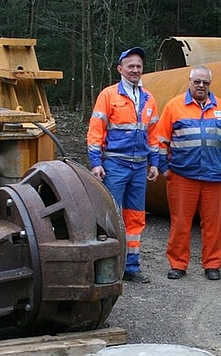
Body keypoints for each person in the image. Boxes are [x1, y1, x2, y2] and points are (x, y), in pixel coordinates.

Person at [156, 65, 221, 281]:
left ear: (210, 84)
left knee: (213, 224)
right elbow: (160, 141)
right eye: (197, 82)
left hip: (215, 177)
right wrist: (164, 169)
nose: (201, 85)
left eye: (205, 82)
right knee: (180, 223)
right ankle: (178, 264)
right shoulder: (174, 106)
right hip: (183, 176)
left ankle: (212, 265)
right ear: (190, 81)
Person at [87, 46, 160, 283]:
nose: (135, 70)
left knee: (136, 216)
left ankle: (131, 267)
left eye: (139, 66)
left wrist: (154, 163)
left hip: (139, 167)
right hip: (115, 165)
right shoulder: (108, 95)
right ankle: (108, 267)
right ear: (120, 69)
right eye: (131, 66)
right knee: (110, 215)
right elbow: (95, 132)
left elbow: (154, 135)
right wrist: (96, 163)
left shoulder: (149, 98)